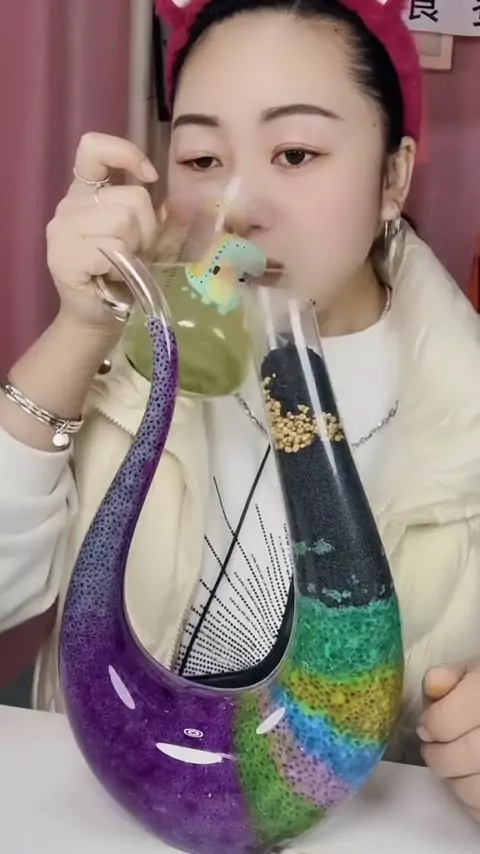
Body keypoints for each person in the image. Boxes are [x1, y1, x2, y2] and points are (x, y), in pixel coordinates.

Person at [1, 0, 480, 822]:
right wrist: (78, 332)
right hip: (92, 814)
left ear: (393, 177)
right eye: (201, 157)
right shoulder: (134, 356)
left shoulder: (462, 406)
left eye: (295, 153)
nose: (238, 206)